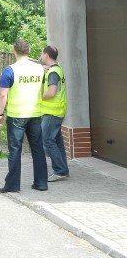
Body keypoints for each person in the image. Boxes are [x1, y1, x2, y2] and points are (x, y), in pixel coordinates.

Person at [0, 39, 49, 193]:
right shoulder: (39, 69)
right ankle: (41, 183)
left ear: (14, 51)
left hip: (17, 116)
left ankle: (12, 185)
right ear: (29, 50)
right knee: (38, 149)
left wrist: (0, 113)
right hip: (35, 114)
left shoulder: (9, 70)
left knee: (14, 150)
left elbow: (2, 95)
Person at [41, 45, 69, 182]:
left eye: (42, 53)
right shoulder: (55, 69)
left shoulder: (53, 73)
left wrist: (39, 96)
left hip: (52, 113)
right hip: (56, 111)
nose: (41, 56)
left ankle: (60, 170)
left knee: (47, 141)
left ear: (46, 55)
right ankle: (63, 169)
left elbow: (51, 93)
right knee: (57, 142)